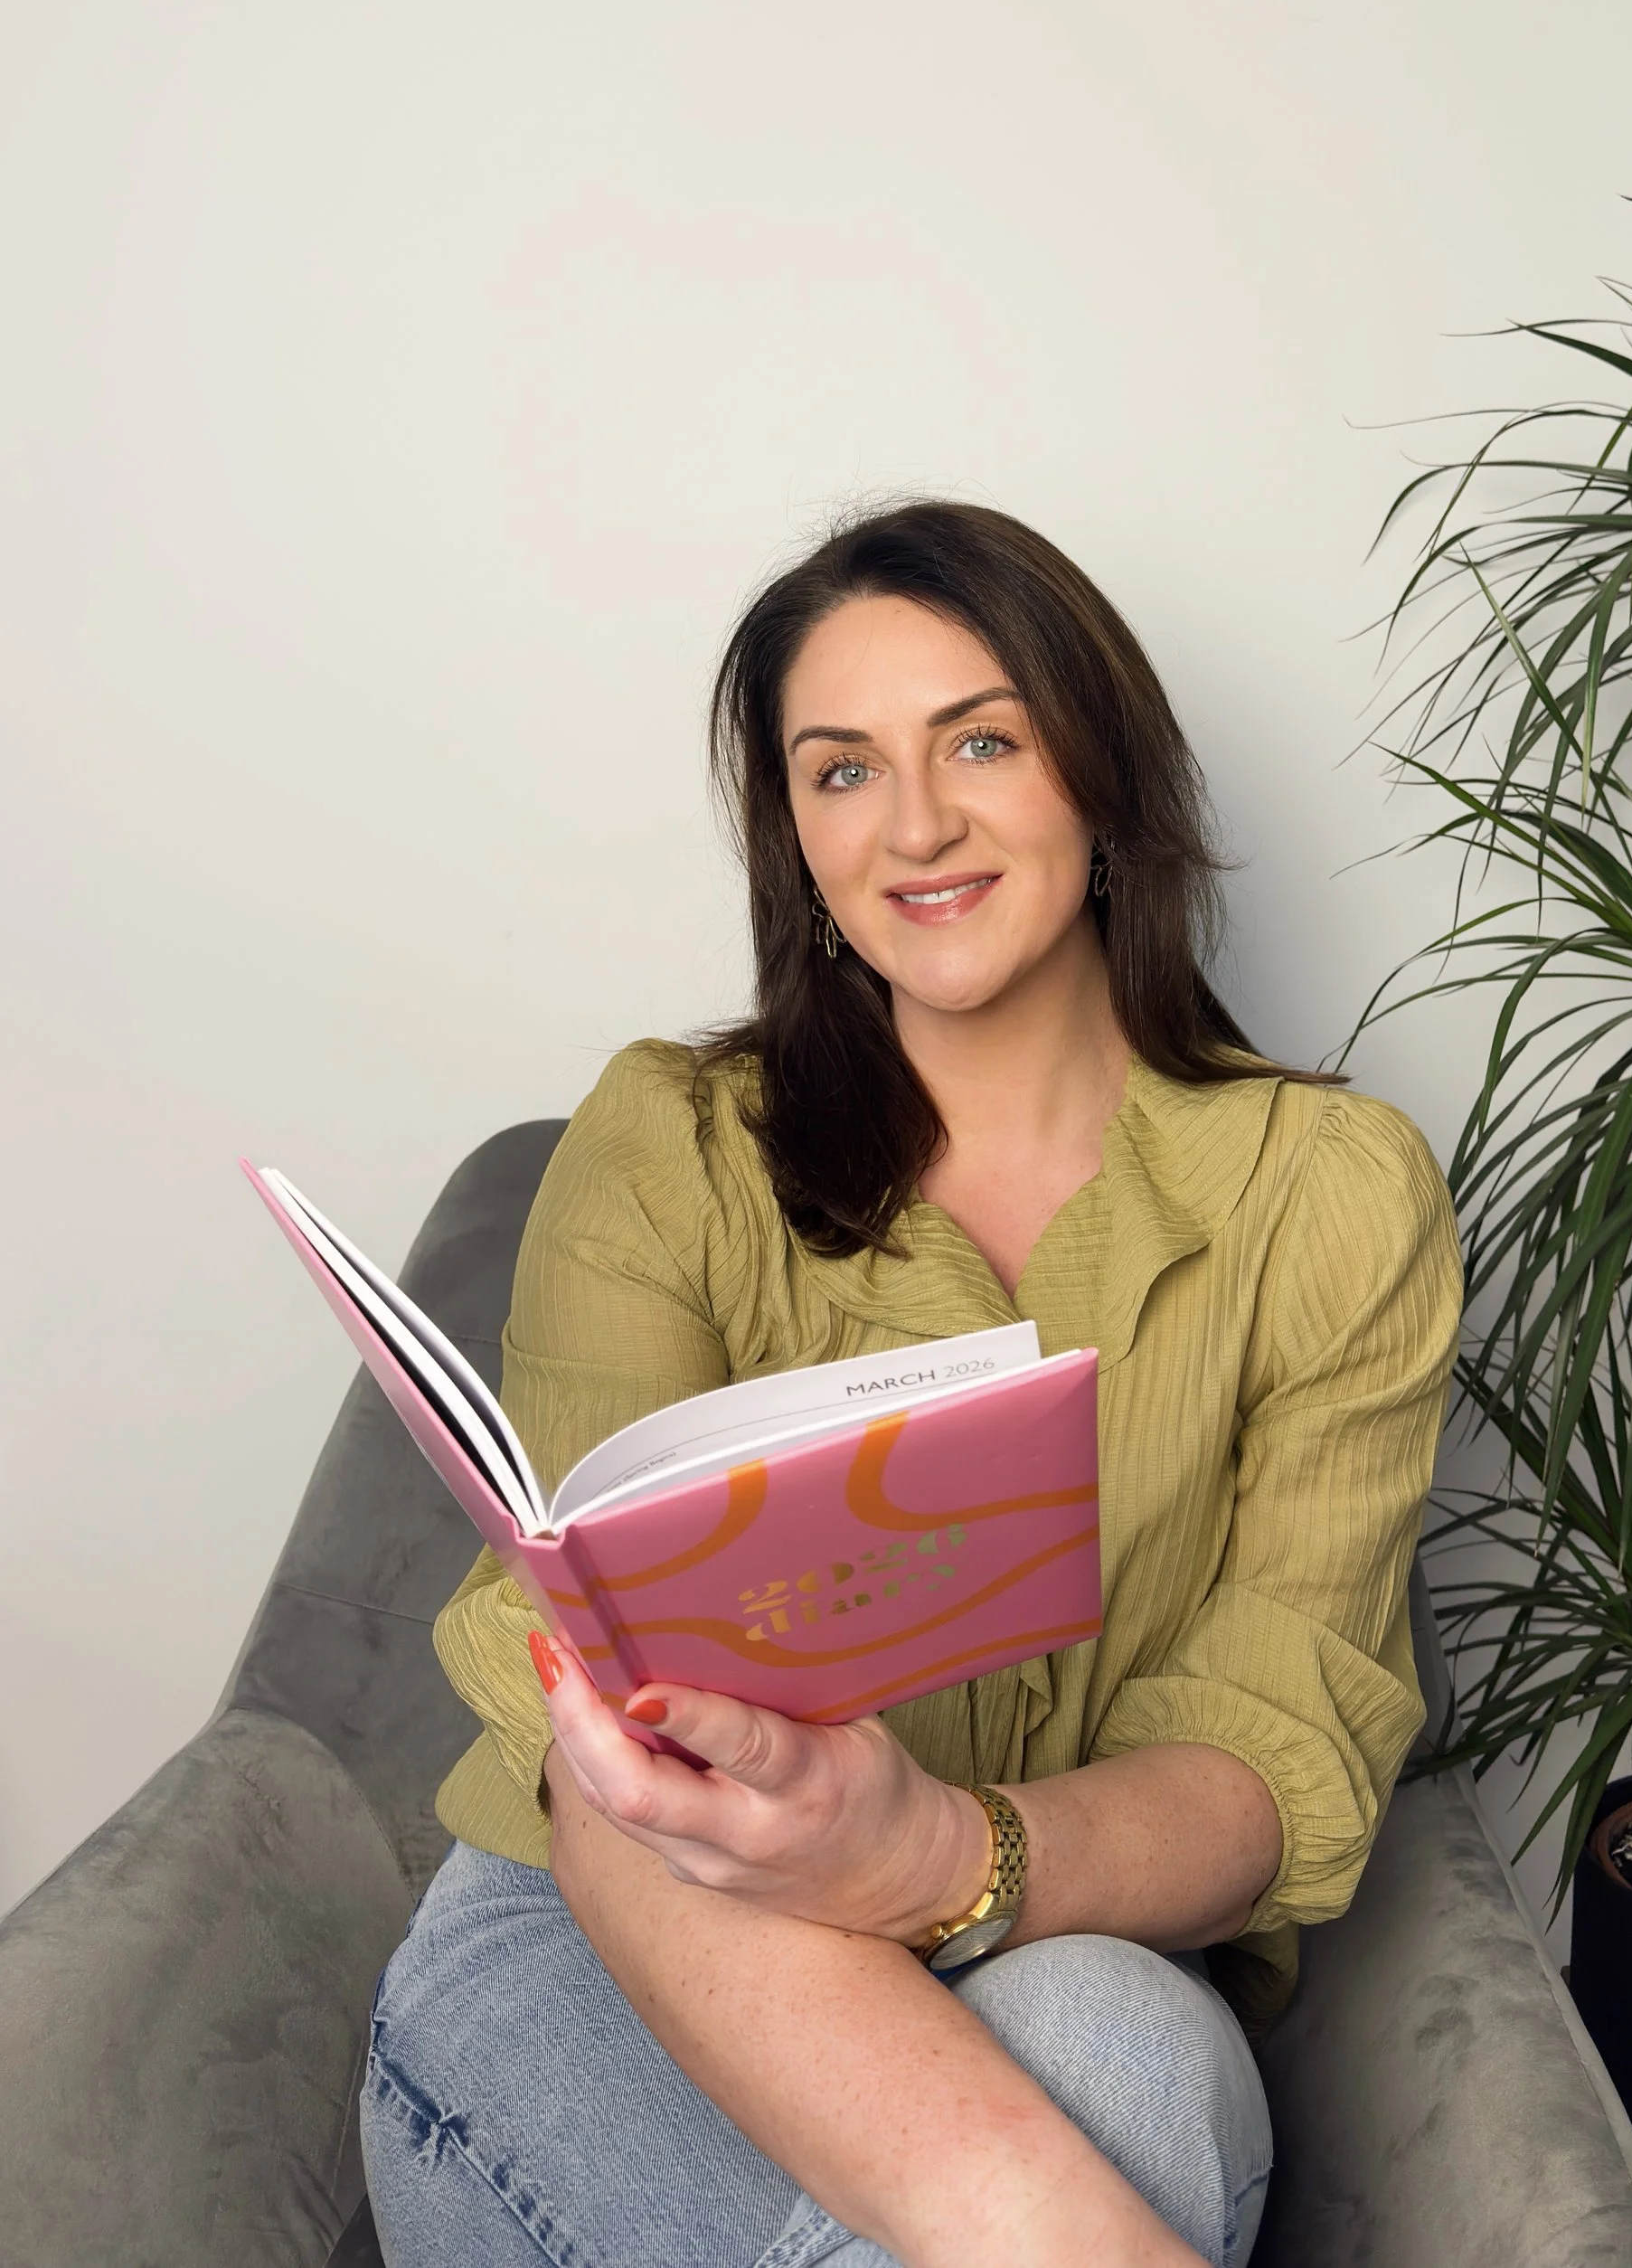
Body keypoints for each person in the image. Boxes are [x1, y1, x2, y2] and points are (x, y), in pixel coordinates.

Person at [361, 501, 1460, 2268]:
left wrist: (946, 1857)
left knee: (1111, 2036)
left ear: (1099, 774)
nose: (919, 822)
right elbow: (607, 1758)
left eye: (979, 739)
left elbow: (1273, 1747)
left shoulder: (1330, 1195)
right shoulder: (664, 1151)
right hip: (603, 1933)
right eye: (840, 768)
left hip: (1064, 1932)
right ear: (792, 835)